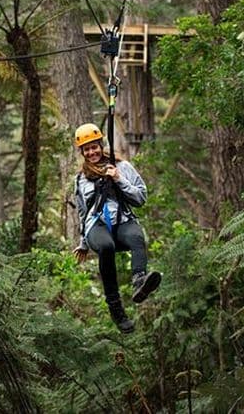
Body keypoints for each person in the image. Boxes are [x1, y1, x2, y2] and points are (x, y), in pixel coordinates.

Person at [72, 123, 161, 334]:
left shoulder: (122, 167)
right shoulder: (81, 180)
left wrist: (119, 179)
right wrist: (83, 242)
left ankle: (140, 280)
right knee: (106, 246)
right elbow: (83, 213)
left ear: (101, 146)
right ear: (82, 152)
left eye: (94, 147)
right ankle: (116, 308)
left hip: (122, 220)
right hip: (97, 225)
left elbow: (141, 198)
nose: (92, 152)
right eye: (87, 149)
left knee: (137, 236)